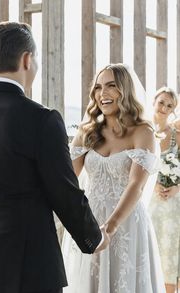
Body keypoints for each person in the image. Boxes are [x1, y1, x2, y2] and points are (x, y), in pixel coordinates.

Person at [0, 22, 109, 293]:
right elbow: (64, 192)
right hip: (28, 269)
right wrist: (94, 237)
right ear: (26, 59)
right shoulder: (42, 119)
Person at [62, 63, 166, 293]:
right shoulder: (87, 131)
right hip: (89, 223)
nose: (103, 94)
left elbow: (136, 185)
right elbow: (67, 179)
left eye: (111, 86)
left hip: (126, 223)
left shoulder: (143, 132)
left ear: (125, 90)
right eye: (98, 87)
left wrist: (110, 227)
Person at [149, 87, 180, 293]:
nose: (164, 108)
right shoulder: (143, 129)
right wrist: (152, 183)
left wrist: (177, 186)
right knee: (151, 252)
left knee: (169, 254)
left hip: (171, 205)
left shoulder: (176, 135)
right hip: (148, 200)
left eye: (170, 106)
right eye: (161, 102)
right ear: (154, 102)